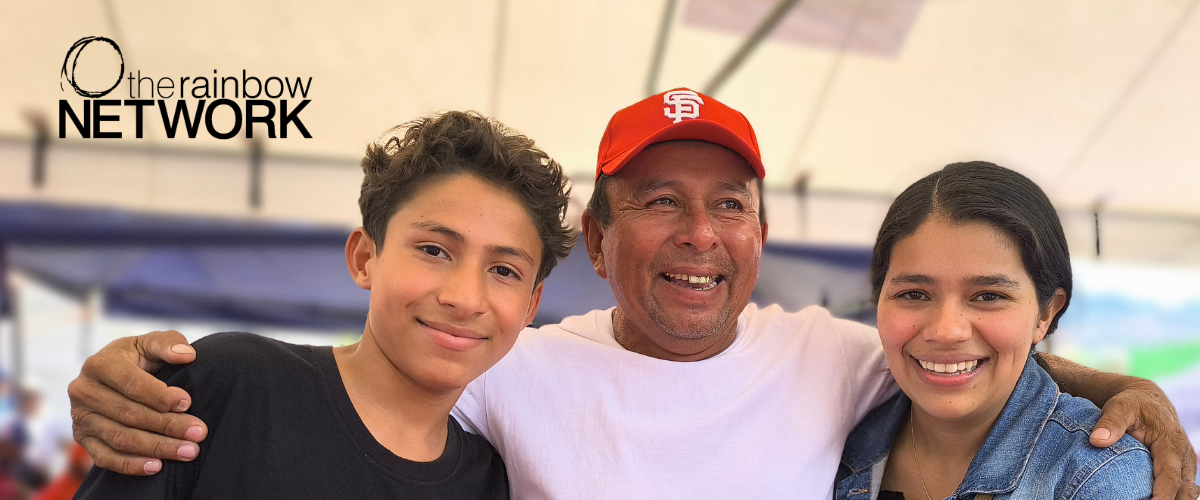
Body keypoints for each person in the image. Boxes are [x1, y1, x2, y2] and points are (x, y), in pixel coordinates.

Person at [67, 89, 1199, 499]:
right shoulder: (510, 365)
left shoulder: (830, 350)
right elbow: (364, 392)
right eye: (658, 201)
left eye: (729, 205)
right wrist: (125, 372)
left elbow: (954, 351)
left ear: (761, 235)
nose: (699, 234)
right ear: (596, 244)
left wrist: (1123, 383)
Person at [72, 111, 574, 499]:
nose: (465, 299)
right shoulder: (232, 387)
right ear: (364, 258)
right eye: (433, 250)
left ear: (531, 306)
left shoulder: (491, 482)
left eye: (504, 271)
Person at [835, 162, 1153, 499]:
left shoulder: (1098, 475)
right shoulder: (841, 435)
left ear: (1045, 313)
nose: (946, 330)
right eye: (914, 294)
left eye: (989, 296)